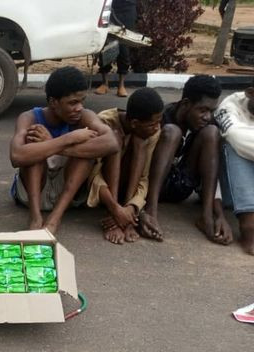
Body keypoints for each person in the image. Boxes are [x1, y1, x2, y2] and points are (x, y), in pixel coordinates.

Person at [9, 66, 119, 234]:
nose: (79, 107)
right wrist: (68, 139)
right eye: (73, 103)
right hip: (32, 193)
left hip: (68, 194)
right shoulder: (29, 117)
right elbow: (16, 156)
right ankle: (35, 218)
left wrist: (55, 144)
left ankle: (54, 219)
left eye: (82, 101)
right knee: (32, 144)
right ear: (53, 102)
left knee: (87, 153)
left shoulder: (84, 116)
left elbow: (112, 142)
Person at [138, 74, 233, 245]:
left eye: (211, 111)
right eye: (203, 110)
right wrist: (137, 208)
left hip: (182, 186)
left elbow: (215, 174)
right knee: (172, 132)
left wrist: (219, 215)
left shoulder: (206, 124)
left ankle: (206, 216)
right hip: (151, 188)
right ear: (186, 104)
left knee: (212, 133)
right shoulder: (162, 117)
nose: (207, 116)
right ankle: (151, 211)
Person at [88, 87, 164, 244]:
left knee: (140, 142)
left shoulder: (151, 132)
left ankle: (125, 218)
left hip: (126, 189)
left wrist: (131, 208)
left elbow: (144, 177)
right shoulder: (103, 121)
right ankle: (114, 215)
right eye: (152, 124)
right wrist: (115, 209)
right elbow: (92, 174)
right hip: (103, 189)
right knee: (114, 138)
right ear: (135, 123)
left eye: (159, 122)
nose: (157, 128)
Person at [215, 80, 254, 254]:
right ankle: (249, 225)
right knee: (233, 144)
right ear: (250, 93)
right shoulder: (230, 105)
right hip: (228, 191)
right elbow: (236, 136)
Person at [95, 0, 138, 98]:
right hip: (109, 7)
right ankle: (104, 84)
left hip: (128, 8)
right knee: (106, 45)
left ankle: (121, 85)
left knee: (123, 48)